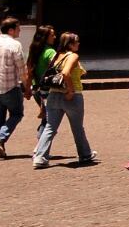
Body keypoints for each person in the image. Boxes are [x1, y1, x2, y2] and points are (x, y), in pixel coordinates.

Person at [32, 31, 97, 169]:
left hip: (53, 95)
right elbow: (66, 73)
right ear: (70, 44)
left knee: (50, 127)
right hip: (72, 96)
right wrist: (70, 90)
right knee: (77, 127)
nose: (79, 44)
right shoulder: (73, 56)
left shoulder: (57, 56)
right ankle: (85, 154)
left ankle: (40, 157)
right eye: (76, 41)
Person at [0, 17, 27, 158]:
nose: (20, 30)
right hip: (10, 87)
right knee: (17, 114)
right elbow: (22, 69)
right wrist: (27, 86)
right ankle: (0, 137)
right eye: (18, 28)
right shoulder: (15, 45)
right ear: (11, 30)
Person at [24, 25, 57, 137]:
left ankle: (41, 142)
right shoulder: (50, 52)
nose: (54, 37)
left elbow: (29, 74)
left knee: (47, 119)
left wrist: (27, 90)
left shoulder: (33, 52)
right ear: (45, 37)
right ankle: (41, 143)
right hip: (47, 91)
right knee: (49, 121)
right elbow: (57, 69)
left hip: (36, 90)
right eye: (52, 35)